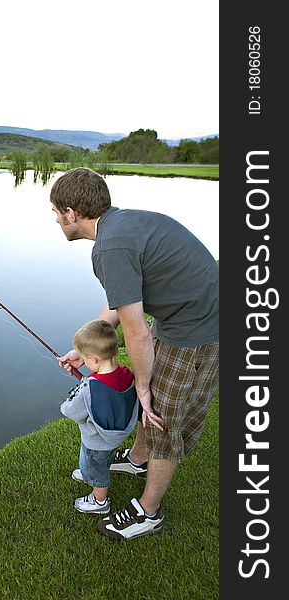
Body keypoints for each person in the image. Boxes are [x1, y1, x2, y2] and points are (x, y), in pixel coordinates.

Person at [51, 167, 219, 541]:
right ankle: (139, 460)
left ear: (71, 212)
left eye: (56, 213)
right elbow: (119, 305)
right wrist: (84, 350)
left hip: (197, 331)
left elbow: (135, 329)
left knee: (160, 416)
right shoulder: (120, 226)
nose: (56, 221)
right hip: (184, 316)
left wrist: (143, 387)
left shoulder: (109, 248)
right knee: (154, 403)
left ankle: (149, 511)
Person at [60, 319, 139, 515]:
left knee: (94, 466)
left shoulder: (90, 387)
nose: (84, 363)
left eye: (85, 359)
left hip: (96, 441)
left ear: (93, 359)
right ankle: (92, 473)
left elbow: (71, 411)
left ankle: (99, 500)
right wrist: (89, 382)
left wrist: (72, 397)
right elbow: (105, 389)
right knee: (101, 460)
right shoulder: (126, 373)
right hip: (115, 435)